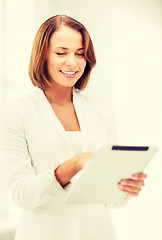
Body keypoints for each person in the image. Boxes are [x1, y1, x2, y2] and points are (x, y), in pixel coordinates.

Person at [1, 15, 146, 240]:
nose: (73, 62)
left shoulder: (101, 111)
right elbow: (22, 195)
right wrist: (75, 164)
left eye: (80, 53)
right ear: (42, 56)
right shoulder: (16, 111)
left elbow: (111, 200)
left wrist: (124, 188)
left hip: (98, 233)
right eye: (61, 52)